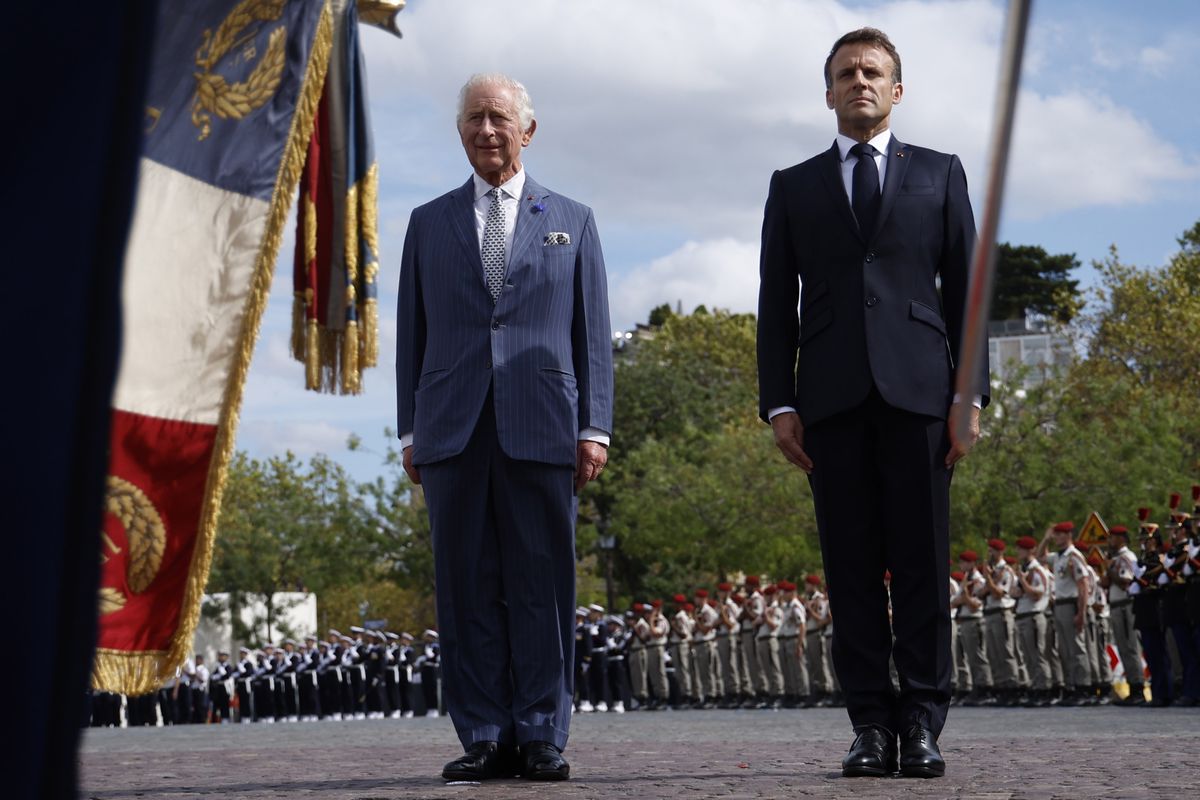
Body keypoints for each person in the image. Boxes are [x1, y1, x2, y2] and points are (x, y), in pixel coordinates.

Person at [757, 26, 985, 778]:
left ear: (897, 89)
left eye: (874, 72)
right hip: (830, 401)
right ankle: (870, 727)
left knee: (920, 564)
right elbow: (774, 306)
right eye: (847, 73)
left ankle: (922, 721)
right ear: (828, 93)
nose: (860, 82)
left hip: (922, 397)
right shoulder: (792, 186)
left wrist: (969, 396)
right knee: (850, 570)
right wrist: (778, 403)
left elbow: (967, 296)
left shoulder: (941, 173)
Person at [396, 72, 613, 783]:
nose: (485, 131)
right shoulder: (428, 222)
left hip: (544, 425)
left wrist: (596, 426)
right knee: (464, 585)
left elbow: (592, 333)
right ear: (459, 132)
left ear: (528, 129)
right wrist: (408, 430)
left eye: (497, 118)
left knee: (543, 585)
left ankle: (544, 733)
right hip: (452, 427)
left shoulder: (573, 219)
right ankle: (485, 734)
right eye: (471, 121)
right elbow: (412, 333)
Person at [1037, 523, 1092, 706]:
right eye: (1056, 534)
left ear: (1069, 535)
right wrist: (1046, 539)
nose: (1057, 537)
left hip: (1071, 604)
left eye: (1060, 534)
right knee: (1065, 650)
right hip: (1059, 605)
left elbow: (1083, 585)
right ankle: (1071, 687)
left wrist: (1081, 612)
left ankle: (1083, 688)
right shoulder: (1059, 557)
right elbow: (1040, 557)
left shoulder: (1074, 556)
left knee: (1077, 649)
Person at [1011, 536, 1052, 707]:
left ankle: (1043, 690)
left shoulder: (1036, 570)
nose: (1018, 552)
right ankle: (1035, 687)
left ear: (1030, 551)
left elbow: (1037, 594)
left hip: (1033, 616)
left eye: (1021, 549)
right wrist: (1021, 583)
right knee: (1028, 655)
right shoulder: (1025, 569)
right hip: (1023, 616)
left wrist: (1022, 581)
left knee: (1037, 655)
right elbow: (1013, 593)